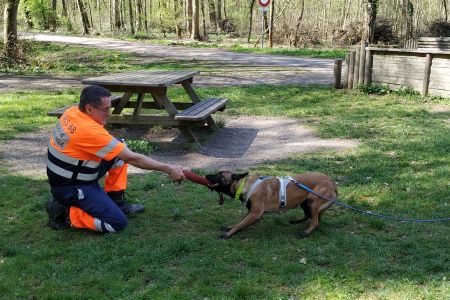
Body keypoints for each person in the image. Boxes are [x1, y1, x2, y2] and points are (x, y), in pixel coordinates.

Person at [45, 85, 186, 233]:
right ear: (89, 108)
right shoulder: (88, 130)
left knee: (119, 148)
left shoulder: (73, 111)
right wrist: (168, 168)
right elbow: (132, 159)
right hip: (72, 186)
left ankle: (116, 201)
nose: (109, 113)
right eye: (105, 109)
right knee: (116, 223)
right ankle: (67, 212)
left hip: (70, 173)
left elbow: (120, 152)